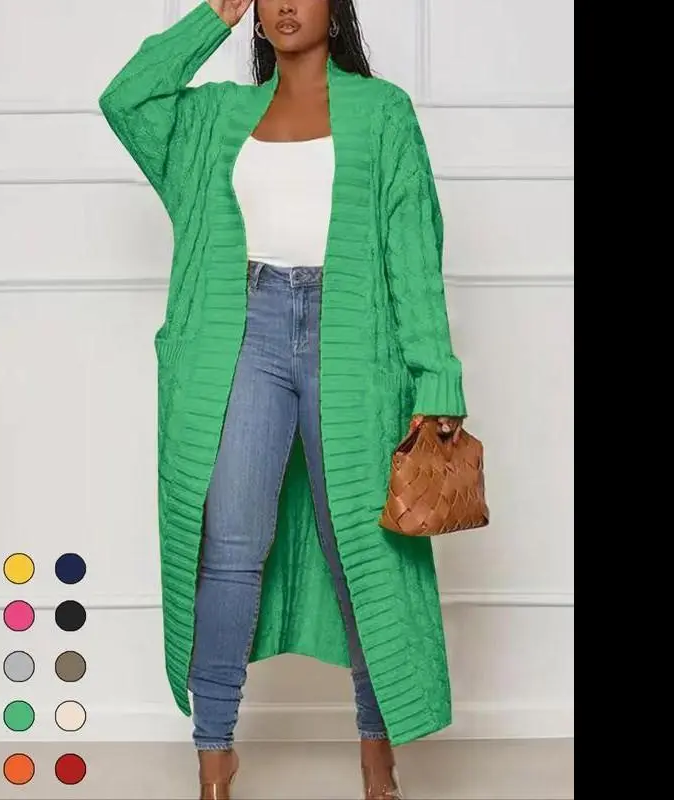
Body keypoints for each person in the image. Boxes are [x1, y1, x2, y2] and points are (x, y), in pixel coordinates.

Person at [99, 1, 467, 797]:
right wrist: (211, 18)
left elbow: (414, 251)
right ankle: (214, 752)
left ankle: (376, 748)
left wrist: (436, 378)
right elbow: (125, 99)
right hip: (243, 333)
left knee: (360, 549)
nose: (287, 3)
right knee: (230, 547)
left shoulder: (382, 111)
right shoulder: (215, 117)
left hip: (354, 342)